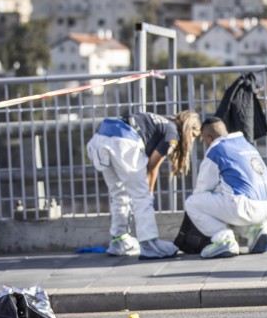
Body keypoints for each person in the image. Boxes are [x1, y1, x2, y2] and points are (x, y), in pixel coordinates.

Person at [86, 110, 201, 259]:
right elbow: (153, 166)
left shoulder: (161, 121)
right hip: (124, 142)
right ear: (190, 128)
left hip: (102, 137)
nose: (191, 141)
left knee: (119, 194)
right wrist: (149, 192)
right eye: (193, 136)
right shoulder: (173, 134)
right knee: (142, 197)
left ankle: (119, 241)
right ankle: (149, 244)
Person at [185, 116, 267, 258]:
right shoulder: (246, 144)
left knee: (193, 203)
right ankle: (260, 229)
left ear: (208, 138)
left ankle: (224, 240)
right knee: (231, 192)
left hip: (245, 207)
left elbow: (202, 189)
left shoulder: (216, 150)